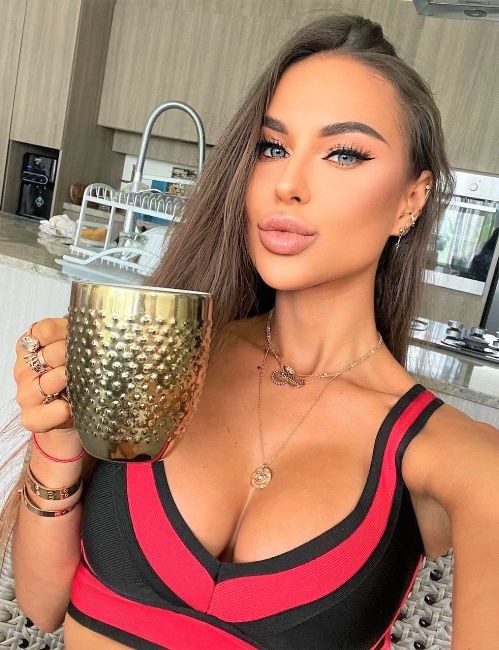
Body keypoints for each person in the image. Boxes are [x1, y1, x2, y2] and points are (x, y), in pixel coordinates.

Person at [2, 13, 498, 650]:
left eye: (345, 153)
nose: (288, 184)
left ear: (411, 199)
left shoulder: (454, 459)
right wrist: (61, 435)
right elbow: (43, 605)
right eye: (272, 148)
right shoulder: (169, 362)